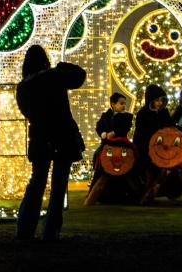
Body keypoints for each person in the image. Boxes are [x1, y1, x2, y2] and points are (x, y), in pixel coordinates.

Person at [15, 45, 87, 242]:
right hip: (62, 136)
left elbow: (28, 113)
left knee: (37, 183)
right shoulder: (54, 76)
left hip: (40, 138)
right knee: (58, 186)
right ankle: (50, 232)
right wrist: (62, 66)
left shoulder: (23, 87)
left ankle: (25, 229)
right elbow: (79, 76)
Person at [85, 112, 138, 205]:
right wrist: (103, 133)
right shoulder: (106, 115)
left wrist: (115, 132)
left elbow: (126, 127)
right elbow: (99, 127)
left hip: (121, 144)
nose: (123, 106)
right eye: (121, 104)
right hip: (108, 144)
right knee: (98, 155)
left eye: (123, 104)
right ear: (113, 104)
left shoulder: (126, 116)